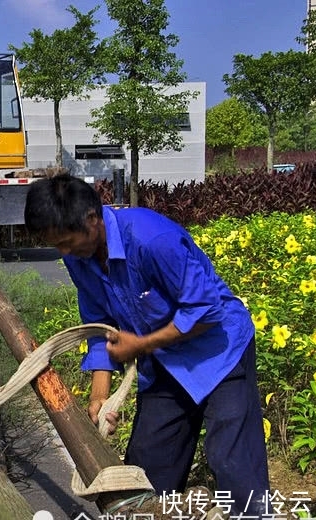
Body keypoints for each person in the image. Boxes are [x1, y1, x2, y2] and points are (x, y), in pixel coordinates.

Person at [23, 175, 269, 517]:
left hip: (219, 355)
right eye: (57, 246)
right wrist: (100, 396)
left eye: (66, 242)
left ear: (92, 219)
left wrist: (140, 344)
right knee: (147, 472)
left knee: (234, 464)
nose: (64, 253)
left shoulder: (152, 239)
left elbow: (205, 311)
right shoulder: (79, 257)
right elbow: (100, 326)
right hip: (164, 364)